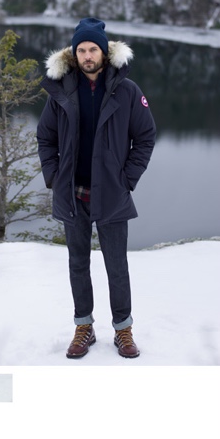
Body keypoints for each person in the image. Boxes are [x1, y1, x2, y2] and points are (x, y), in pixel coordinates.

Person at [36, 18, 156, 359]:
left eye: (93, 49)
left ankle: (123, 330)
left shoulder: (127, 91)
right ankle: (84, 326)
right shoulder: (61, 90)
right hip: (73, 194)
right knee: (78, 263)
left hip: (112, 194)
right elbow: (45, 138)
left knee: (116, 265)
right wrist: (54, 176)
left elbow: (145, 137)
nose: (88, 55)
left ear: (105, 51)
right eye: (82, 50)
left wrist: (127, 179)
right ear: (74, 54)